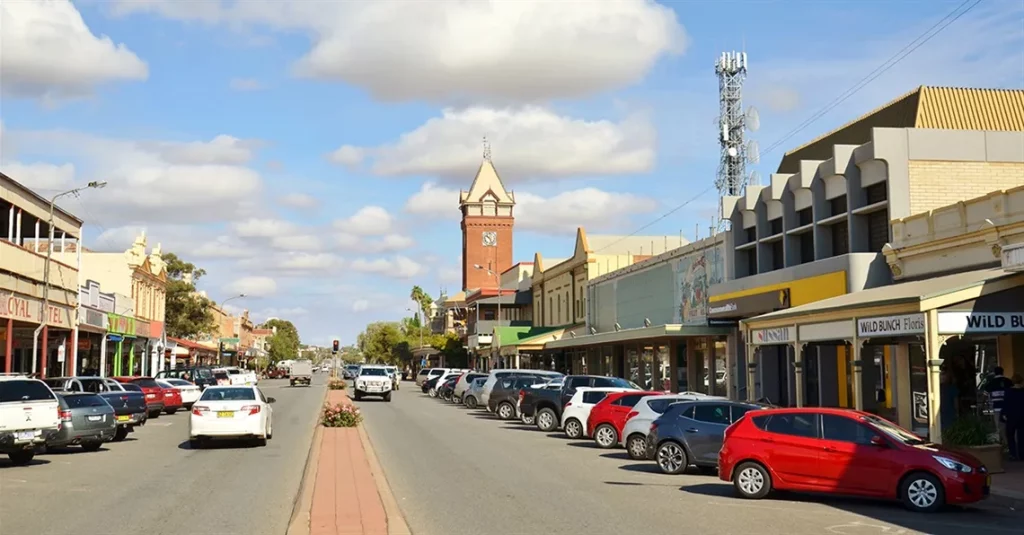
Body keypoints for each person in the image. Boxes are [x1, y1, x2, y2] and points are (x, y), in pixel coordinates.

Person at [985, 366, 1014, 444]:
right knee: (1008, 425)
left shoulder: (991, 383)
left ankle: (1003, 442)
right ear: (1002, 372)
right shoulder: (1008, 382)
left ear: (995, 373)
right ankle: (1008, 441)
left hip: (997, 407)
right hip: (1008, 407)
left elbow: (986, 392)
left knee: (999, 425)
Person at [1002, 374, 1024, 461]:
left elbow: (1006, 404)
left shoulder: (1008, 392)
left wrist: (1004, 414)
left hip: (1011, 416)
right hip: (1022, 416)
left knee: (1010, 435)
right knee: (1022, 436)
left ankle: (1013, 454)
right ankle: (1022, 454)